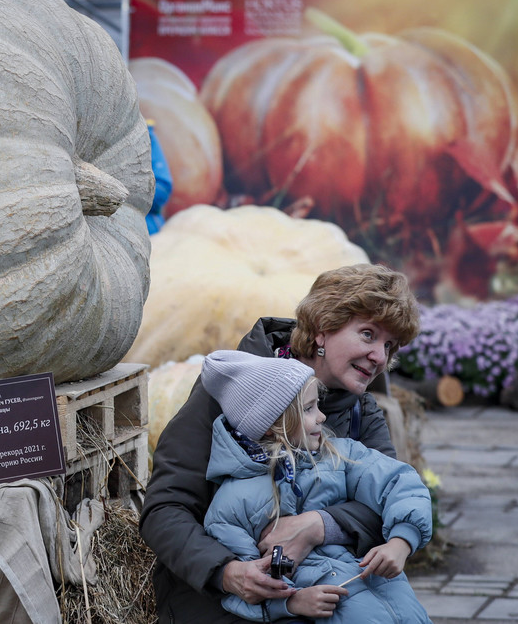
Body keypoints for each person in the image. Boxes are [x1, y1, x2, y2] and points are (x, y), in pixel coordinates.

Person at [138, 263, 421, 623]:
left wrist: (318, 525)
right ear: (323, 329)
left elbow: (386, 497)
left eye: (390, 346)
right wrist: (226, 573)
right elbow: (165, 508)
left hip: (328, 585)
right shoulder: (236, 390)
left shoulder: (360, 410)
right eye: (368, 334)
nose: (380, 356)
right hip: (221, 595)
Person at [201, 349, 433, 622]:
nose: (322, 417)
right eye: (309, 408)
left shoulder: (339, 455)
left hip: (401, 607)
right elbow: (245, 586)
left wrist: (401, 541)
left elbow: (400, 483)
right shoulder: (232, 503)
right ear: (271, 424)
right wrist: (291, 603)